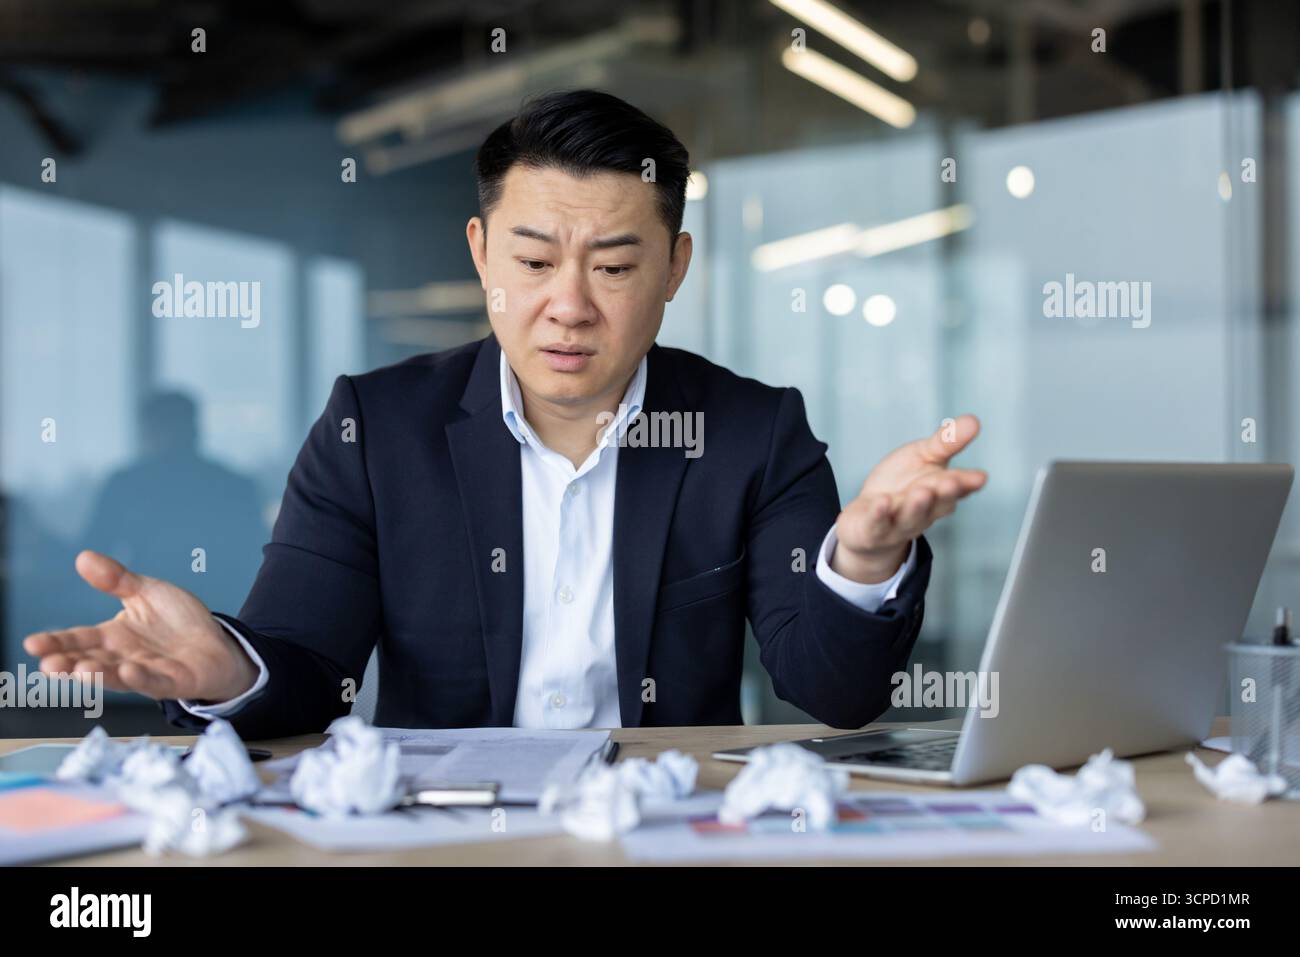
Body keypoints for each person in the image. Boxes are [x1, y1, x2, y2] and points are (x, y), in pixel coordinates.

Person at [24, 89, 985, 738]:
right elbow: (310, 668)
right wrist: (225, 670)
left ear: (675, 270)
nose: (569, 304)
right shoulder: (375, 429)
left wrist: (861, 564)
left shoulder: (750, 431)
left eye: (613, 266)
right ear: (481, 255)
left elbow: (834, 691)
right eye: (532, 263)